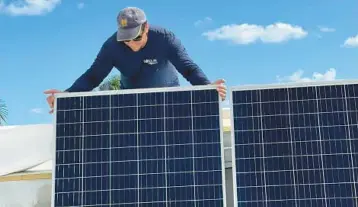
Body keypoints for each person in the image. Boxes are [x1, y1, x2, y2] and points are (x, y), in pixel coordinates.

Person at [44, 6, 226, 113]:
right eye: (126, 39)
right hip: (132, 103)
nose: (132, 44)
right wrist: (65, 96)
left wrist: (207, 87)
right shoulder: (112, 47)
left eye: (136, 37)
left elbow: (188, 68)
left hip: (168, 99)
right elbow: (92, 77)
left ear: (146, 27)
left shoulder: (165, 38)